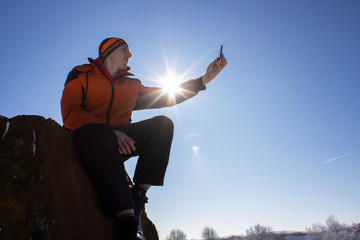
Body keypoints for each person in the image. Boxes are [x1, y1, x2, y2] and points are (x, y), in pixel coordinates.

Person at [60, 37, 227, 239]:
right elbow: (70, 113)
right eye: (124, 49)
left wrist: (204, 80)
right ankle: (127, 220)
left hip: (120, 145)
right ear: (107, 52)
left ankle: (138, 194)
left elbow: (165, 95)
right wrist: (110, 132)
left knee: (163, 125)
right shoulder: (81, 74)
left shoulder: (131, 85)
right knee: (100, 134)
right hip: (90, 141)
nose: (129, 55)